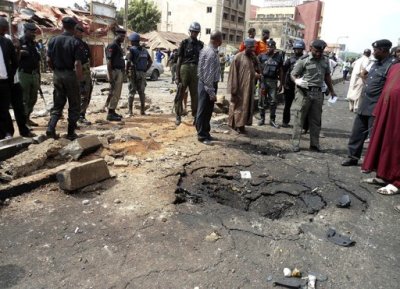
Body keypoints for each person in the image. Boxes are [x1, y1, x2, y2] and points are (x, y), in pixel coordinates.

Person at [342, 39, 395, 166]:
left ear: (383, 50)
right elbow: (364, 74)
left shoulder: (392, 65)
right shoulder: (375, 63)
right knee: (357, 133)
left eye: (376, 50)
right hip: (365, 103)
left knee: (375, 138)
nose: (373, 52)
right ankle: (352, 157)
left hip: (377, 107)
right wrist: (368, 85)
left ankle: (375, 164)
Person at [290, 39, 337, 152]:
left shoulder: (325, 61)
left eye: (320, 51)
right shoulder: (304, 60)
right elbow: (293, 74)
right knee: (299, 119)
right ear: (311, 49)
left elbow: (327, 77)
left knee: (316, 120)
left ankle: (314, 144)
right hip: (303, 93)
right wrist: (296, 81)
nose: (318, 54)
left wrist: (332, 91)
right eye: (316, 51)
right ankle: (295, 144)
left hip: (318, 94)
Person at [361, 60, 400, 195]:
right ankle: (384, 175)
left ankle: (397, 182)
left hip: (398, 115)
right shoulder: (395, 67)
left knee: (396, 146)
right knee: (384, 143)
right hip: (387, 111)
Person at [46, 17, 84, 140]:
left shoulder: (53, 40)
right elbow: (78, 64)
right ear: (74, 27)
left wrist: (56, 71)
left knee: (58, 103)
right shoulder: (75, 42)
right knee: (74, 104)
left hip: (57, 74)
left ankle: (50, 128)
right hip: (70, 75)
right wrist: (79, 80)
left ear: (63, 26)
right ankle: (71, 132)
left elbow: (48, 60)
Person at [227, 38, 260, 133]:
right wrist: (234, 89)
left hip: (249, 87)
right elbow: (233, 75)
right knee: (237, 106)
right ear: (246, 47)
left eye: (254, 47)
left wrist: (256, 75)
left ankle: (241, 125)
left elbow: (250, 71)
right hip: (239, 88)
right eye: (251, 47)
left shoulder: (252, 57)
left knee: (246, 107)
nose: (253, 49)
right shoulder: (237, 57)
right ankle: (235, 126)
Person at [174, 21, 204, 125]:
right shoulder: (184, 43)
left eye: (196, 32)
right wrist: (177, 76)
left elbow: (202, 61)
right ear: (190, 31)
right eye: (193, 31)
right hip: (184, 69)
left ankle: (195, 116)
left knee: (195, 94)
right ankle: (178, 115)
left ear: (198, 33)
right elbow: (179, 60)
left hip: (196, 70)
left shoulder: (201, 45)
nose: (194, 33)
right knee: (180, 92)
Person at [196, 31, 223, 144]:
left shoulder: (206, 50)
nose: (222, 41)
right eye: (221, 38)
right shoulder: (211, 53)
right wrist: (211, 92)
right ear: (217, 40)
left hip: (205, 84)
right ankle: (202, 135)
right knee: (203, 110)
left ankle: (206, 133)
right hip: (207, 85)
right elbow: (208, 75)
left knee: (207, 111)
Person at [257, 39, 284, 128]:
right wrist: (258, 76)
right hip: (263, 82)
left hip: (273, 82)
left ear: (274, 48)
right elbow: (256, 68)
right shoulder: (261, 56)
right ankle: (262, 119)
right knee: (262, 101)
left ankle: (272, 120)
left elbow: (281, 71)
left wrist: (281, 84)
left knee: (273, 101)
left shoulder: (279, 57)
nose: (269, 48)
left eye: (271, 47)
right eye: (268, 47)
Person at [18, 22, 41, 128]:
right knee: (24, 99)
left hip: (34, 74)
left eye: (34, 31)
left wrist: (39, 75)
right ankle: (23, 121)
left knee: (33, 98)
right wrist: (19, 53)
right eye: (31, 31)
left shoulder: (34, 44)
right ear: (25, 31)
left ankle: (27, 117)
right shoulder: (19, 42)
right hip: (24, 74)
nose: (33, 33)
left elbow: (38, 61)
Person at [0, 17, 18, 139]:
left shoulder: (6, 42)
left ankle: (7, 133)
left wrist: (10, 75)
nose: (6, 30)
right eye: (5, 27)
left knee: (4, 108)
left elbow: (15, 61)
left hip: (4, 82)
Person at [126, 32, 153, 116]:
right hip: (142, 73)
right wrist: (145, 70)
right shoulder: (144, 50)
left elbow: (128, 62)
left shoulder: (131, 50)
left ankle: (130, 111)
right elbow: (150, 61)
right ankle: (142, 111)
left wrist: (127, 72)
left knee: (131, 91)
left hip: (134, 73)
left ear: (132, 41)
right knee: (142, 92)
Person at [104, 27, 126, 121]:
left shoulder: (118, 46)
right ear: (116, 35)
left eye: (124, 36)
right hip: (114, 71)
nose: (123, 38)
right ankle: (110, 113)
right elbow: (109, 62)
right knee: (114, 92)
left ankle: (112, 111)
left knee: (117, 92)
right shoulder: (112, 46)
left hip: (118, 71)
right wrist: (111, 77)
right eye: (121, 36)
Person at [282, 40, 305, 128]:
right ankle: (285, 121)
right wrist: (283, 83)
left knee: (301, 107)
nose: (297, 50)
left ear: (302, 49)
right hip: (289, 86)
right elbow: (283, 71)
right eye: (296, 49)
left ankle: (300, 124)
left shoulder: (305, 59)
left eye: (299, 49)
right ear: (294, 49)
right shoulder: (289, 60)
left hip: (301, 87)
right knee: (287, 106)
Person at [74, 24, 92, 125]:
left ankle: (82, 114)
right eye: (78, 31)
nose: (80, 34)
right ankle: (79, 116)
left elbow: (89, 57)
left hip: (86, 70)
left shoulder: (84, 44)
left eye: (81, 32)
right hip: (78, 71)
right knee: (81, 94)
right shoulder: (72, 43)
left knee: (86, 94)